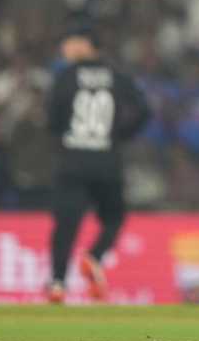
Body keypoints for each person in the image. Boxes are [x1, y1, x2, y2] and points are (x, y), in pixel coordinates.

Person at [46, 18, 150, 303]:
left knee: (65, 225)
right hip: (106, 161)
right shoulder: (116, 75)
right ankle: (94, 255)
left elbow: (52, 120)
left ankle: (57, 283)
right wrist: (118, 135)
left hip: (72, 160)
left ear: (84, 45)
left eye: (69, 43)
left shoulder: (65, 77)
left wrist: (66, 137)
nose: (64, 49)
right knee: (114, 217)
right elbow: (143, 110)